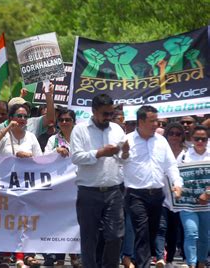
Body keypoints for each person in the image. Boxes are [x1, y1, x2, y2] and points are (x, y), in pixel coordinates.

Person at [70, 93, 129, 268]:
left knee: (115, 236)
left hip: (114, 191)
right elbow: (76, 157)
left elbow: (122, 159)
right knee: (89, 237)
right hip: (89, 192)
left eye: (111, 113)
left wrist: (125, 152)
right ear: (94, 111)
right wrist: (99, 153)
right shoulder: (80, 130)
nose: (109, 117)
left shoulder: (117, 130)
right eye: (105, 113)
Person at [124, 106, 183, 268]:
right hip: (135, 195)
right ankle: (143, 264)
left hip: (157, 196)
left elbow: (171, 165)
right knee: (142, 232)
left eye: (156, 120)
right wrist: (123, 154)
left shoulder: (161, 141)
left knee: (151, 234)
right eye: (152, 121)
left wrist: (177, 183)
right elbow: (118, 163)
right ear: (141, 121)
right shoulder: (127, 140)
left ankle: (141, 260)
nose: (156, 124)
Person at [0, 103, 42, 268]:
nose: (22, 119)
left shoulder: (31, 137)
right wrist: (7, 128)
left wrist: (28, 156)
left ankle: (21, 256)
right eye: (19, 116)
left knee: (24, 221)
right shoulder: (4, 135)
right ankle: (5, 256)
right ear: (11, 118)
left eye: (25, 116)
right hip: (5, 184)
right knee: (7, 221)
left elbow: (41, 160)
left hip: (25, 185)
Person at [43, 108, 80, 267]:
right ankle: (59, 256)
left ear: (74, 122)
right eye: (61, 120)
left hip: (78, 186)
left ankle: (74, 255)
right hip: (59, 186)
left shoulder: (81, 138)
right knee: (60, 222)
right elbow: (43, 156)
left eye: (68, 119)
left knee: (76, 222)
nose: (64, 122)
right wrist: (55, 151)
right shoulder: (53, 139)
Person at [154, 122, 187, 267]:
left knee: (175, 230)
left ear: (182, 136)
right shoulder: (159, 150)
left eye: (178, 134)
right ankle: (160, 257)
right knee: (161, 228)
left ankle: (170, 259)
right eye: (171, 133)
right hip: (162, 196)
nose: (174, 136)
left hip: (181, 198)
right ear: (166, 135)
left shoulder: (187, 153)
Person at [178, 125, 210, 268]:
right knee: (191, 233)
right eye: (197, 138)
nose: (200, 142)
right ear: (191, 139)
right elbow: (176, 176)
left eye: (203, 139)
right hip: (188, 204)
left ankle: (201, 263)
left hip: (208, 204)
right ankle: (191, 264)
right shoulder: (184, 156)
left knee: (205, 236)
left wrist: (207, 193)